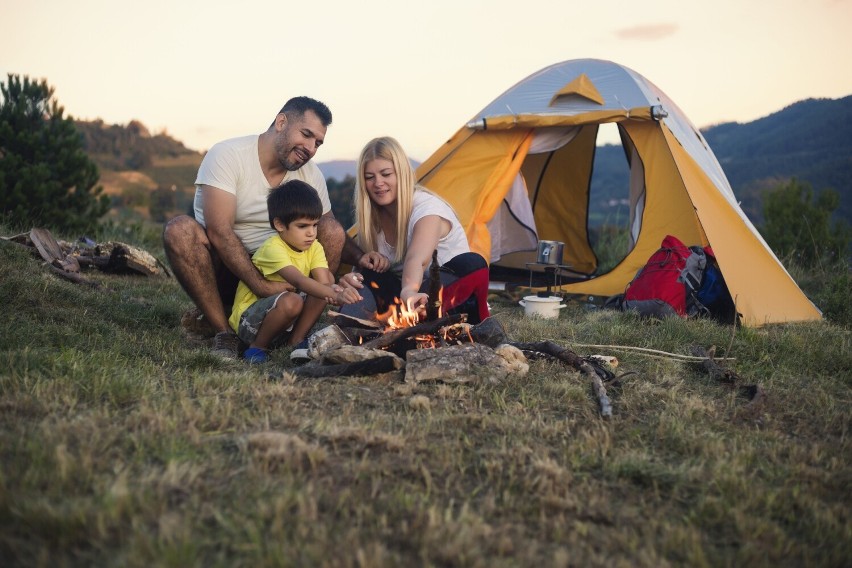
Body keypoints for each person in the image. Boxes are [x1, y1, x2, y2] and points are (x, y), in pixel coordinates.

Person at [163, 96, 375, 360]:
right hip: (225, 268)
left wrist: (359, 257)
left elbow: (331, 229)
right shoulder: (228, 155)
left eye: (317, 143)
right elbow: (218, 231)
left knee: (329, 228)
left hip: (284, 270)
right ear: (281, 122)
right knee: (180, 230)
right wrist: (260, 284)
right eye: (306, 134)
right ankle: (223, 333)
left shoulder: (310, 173)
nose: (310, 148)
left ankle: (297, 336)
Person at [340, 136, 490, 324]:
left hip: (443, 297)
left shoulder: (426, 208)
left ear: (401, 174)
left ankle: (420, 321)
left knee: (472, 262)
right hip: (404, 304)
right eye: (369, 177)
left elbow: (417, 259)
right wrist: (353, 280)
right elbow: (366, 272)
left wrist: (409, 292)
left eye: (386, 174)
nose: (378, 183)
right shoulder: (371, 222)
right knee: (368, 273)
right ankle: (343, 331)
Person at [231, 180, 361, 364]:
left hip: (285, 320)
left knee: (319, 289)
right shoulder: (272, 248)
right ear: (280, 224)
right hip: (250, 323)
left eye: (315, 225)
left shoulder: (314, 247)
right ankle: (257, 348)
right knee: (294, 299)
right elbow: (299, 281)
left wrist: (339, 290)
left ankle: (295, 341)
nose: (311, 233)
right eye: (303, 226)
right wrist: (334, 294)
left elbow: (324, 283)